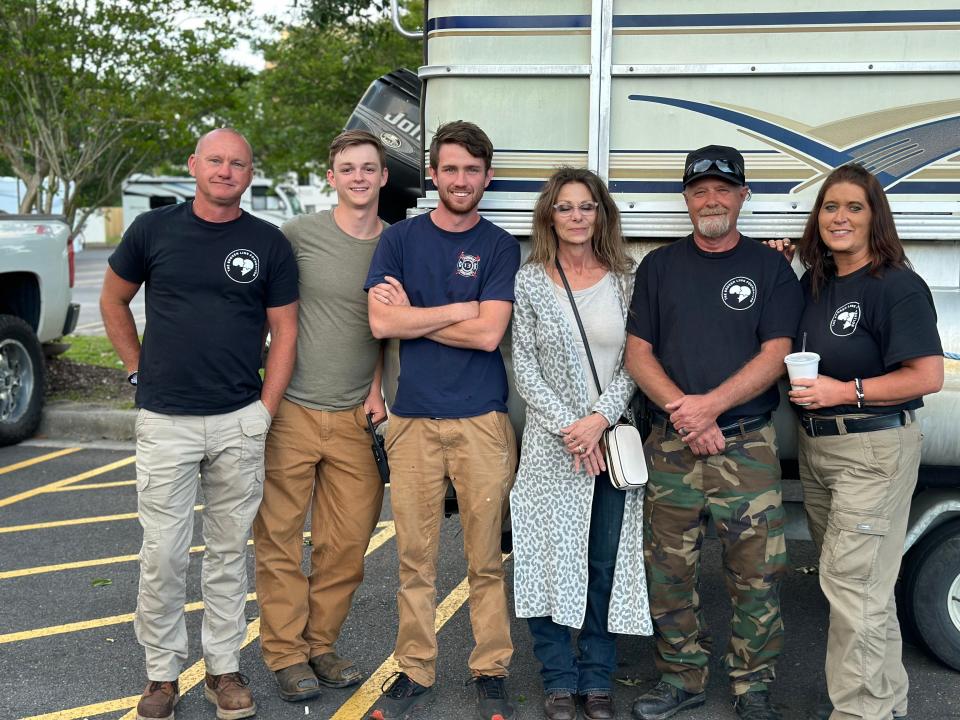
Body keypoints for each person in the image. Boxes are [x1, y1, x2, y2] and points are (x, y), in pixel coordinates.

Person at [100, 128, 299, 720]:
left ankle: (223, 669)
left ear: (249, 172)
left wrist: (264, 409)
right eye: (215, 160)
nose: (225, 170)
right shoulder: (153, 230)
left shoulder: (267, 243)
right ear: (194, 166)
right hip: (167, 421)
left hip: (240, 418)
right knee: (163, 552)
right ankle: (161, 675)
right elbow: (114, 301)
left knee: (229, 553)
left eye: (238, 162)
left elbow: (285, 330)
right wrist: (138, 370)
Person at [625, 145, 803, 720]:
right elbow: (637, 353)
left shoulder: (771, 268)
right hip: (672, 446)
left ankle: (754, 689)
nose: (711, 199)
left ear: (743, 195)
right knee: (669, 571)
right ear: (686, 198)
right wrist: (686, 412)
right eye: (700, 190)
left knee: (756, 574)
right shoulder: (659, 267)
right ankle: (681, 679)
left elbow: (778, 353)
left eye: (723, 188)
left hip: (746, 443)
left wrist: (711, 408)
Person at [771, 164, 943, 720]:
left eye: (854, 207)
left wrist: (845, 390)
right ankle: (885, 706)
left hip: (873, 450)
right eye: (829, 207)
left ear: (875, 218)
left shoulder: (896, 285)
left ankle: (859, 713)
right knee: (861, 589)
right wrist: (776, 269)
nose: (839, 217)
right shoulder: (815, 284)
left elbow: (926, 376)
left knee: (852, 587)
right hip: (820, 450)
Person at [363, 120, 521, 720]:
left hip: (481, 419)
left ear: (486, 177)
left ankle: (491, 667)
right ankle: (414, 667)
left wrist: (420, 314)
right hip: (412, 421)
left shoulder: (501, 245)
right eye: (450, 168)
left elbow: (489, 335)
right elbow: (381, 325)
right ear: (433, 173)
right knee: (415, 557)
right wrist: (460, 306)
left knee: (485, 556)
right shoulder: (399, 240)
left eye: (472, 170)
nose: (461, 180)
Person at [251, 130, 390, 702]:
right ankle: (285, 655)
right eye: (347, 168)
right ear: (331, 177)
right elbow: (263, 315)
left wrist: (379, 389)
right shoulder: (297, 236)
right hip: (292, 410)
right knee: (280, 540)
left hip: (359, 416)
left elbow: (393, 329)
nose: (358, 177)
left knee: (347, 545)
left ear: (385, 177)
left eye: (369, 168)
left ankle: (320, 645)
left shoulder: (398, 243)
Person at [510, 167, 651, 720]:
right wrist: (572, 428)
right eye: (565, 207)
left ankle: (595, 679)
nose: (575, 216)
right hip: (551, 447)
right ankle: (557, 679)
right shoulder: (529, 281)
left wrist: (597, 420)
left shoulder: (625, 278)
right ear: (550, 215)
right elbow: (524, 367)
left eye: (586, 206)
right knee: (547, 561)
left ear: (601, 214)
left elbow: (635, 361)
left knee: (602, 564)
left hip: (611, 444)